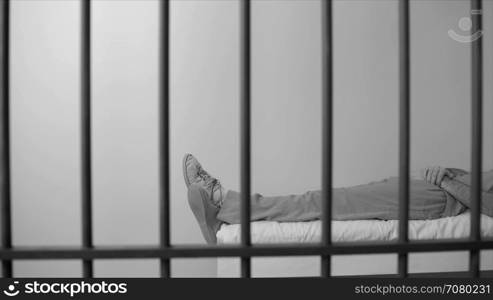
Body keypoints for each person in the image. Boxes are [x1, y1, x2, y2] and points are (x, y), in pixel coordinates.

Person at [183, 153, 493, 244]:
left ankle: (223, 201)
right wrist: (442, 172)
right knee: (324, 200)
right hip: (427, 189)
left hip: (434, 200)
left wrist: (447, 182)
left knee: (318, 201)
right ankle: (224, 208)